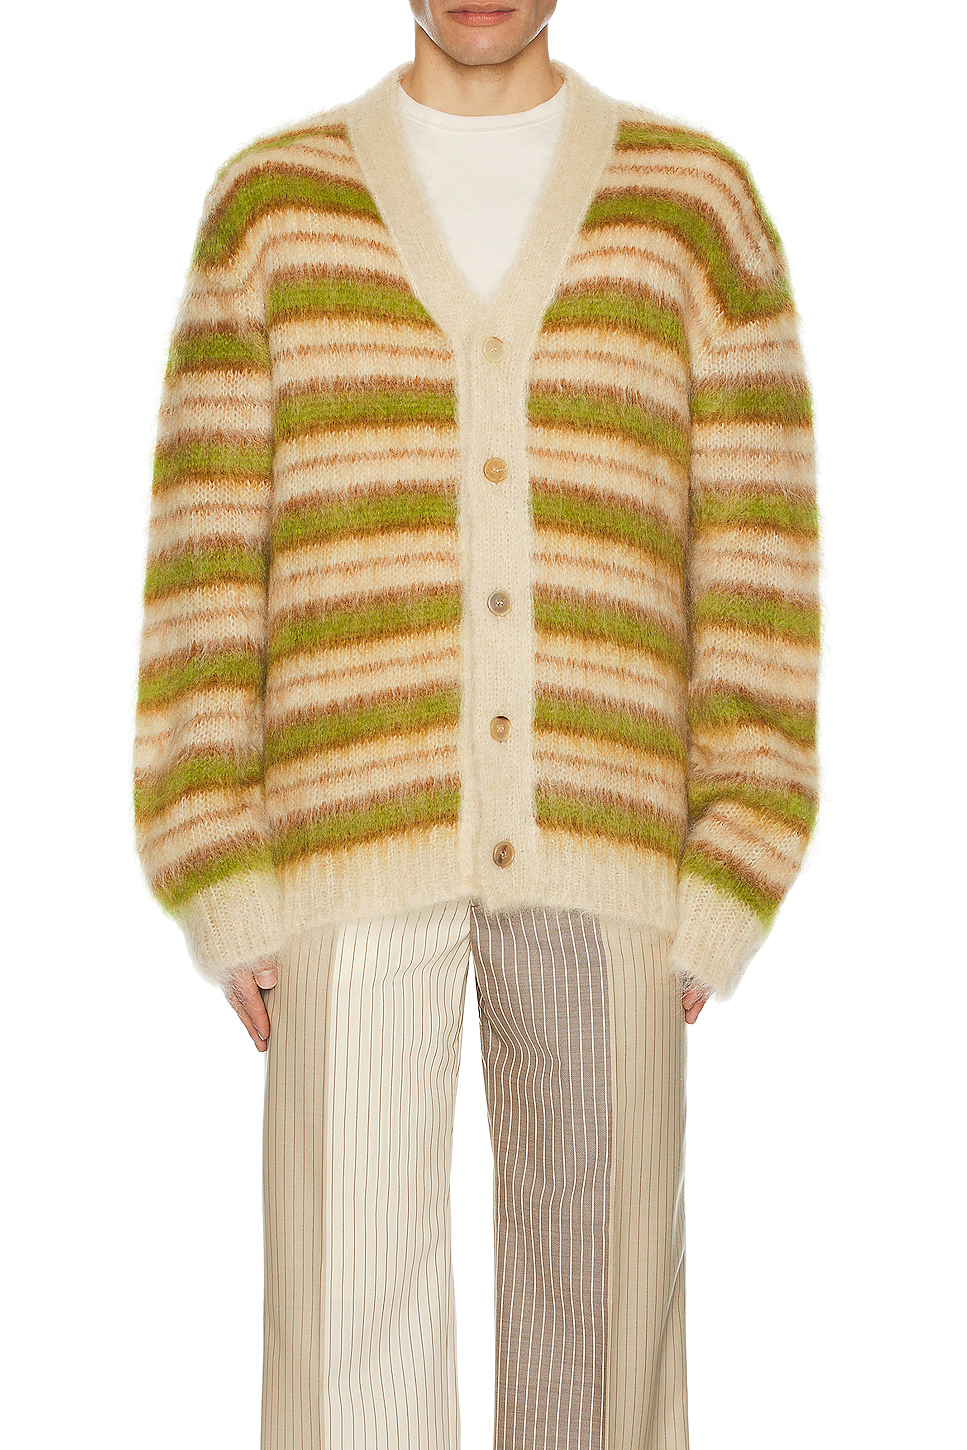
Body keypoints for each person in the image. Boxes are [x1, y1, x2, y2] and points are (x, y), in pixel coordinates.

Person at [132, 2, 819, 1445]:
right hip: (337, 862)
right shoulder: (274, 209)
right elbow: (205, 557)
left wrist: (734, 860)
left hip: (613, 859)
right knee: (346, 1366)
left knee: (601, 1362)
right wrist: (215, 857)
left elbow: (755, 557)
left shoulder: (694, 212)